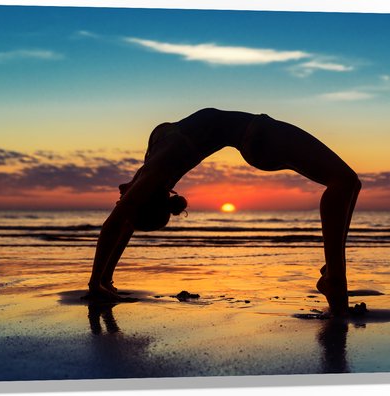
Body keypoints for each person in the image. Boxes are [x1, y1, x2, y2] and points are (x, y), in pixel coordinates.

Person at [88, 108, 361, 316]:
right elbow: (117, 222)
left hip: (256, 137)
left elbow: (124, 224)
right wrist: (95, 283)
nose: (119, 195)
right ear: (145, 198)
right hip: (258, 134)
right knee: (344, 181)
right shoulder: (157, 172)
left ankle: (333, 272)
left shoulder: (152, 170)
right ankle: (335, 278)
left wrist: (105, 278)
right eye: (124, 199)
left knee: (350, 183)